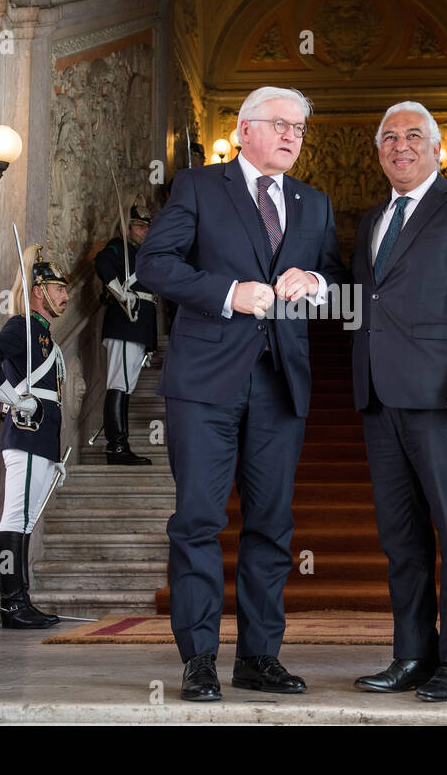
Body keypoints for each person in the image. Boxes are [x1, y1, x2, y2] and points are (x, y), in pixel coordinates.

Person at [135, 86, 347, 702]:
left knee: (272, 526)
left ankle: (259, 657)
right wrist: (230, 293)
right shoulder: (200, 187)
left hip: (282, 385)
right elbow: (154, 265)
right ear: (245, 128)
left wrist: (312, 281)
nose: (292, 137)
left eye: (301, 129)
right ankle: (199, 658)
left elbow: (337, 279)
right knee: (198, 521)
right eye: (281, 125)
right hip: (205, 384)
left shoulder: (315, 204)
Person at [350, 101, 447, 701]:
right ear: (379, 152)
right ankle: (413, 654)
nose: (401, 146)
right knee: (401, 539)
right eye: (388, 137)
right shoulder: (371, 221)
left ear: (438, 150)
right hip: (380, 398)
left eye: (414, 136)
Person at [0, 245, 70, 629]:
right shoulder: (22, 327)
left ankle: (21, 600)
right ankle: (12, 604)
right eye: (58, 288)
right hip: (27, 432)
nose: (64, 296)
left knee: (26, 520)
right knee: (15, 516)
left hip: (42, 437)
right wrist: (13, 398)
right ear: (38, 291)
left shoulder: (44, 337)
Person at [94, 206, 157, 466]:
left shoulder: (147, 255)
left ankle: (121, 444)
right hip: (124, 323)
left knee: (126, 386)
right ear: (128, 227)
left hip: (139, 326)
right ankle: (116, 447)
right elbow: (102, 262)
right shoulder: (119, 246)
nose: (144, 231)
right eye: (139, 226)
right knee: (119, 384)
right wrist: (119, 292)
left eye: (147, 227)